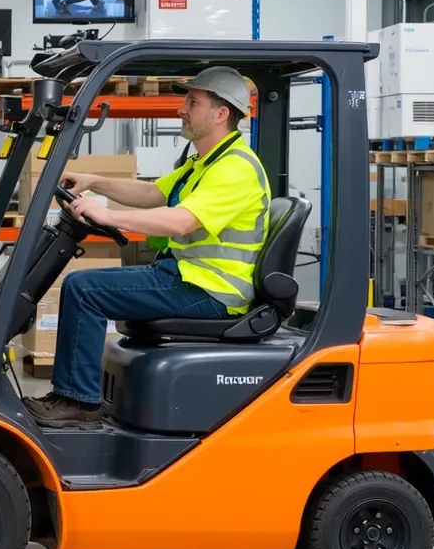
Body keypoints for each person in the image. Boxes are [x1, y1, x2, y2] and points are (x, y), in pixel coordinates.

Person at [24, 66, 270, 427]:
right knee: (84, 286)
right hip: (187, 277)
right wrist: (95, 181)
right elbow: (154, 192)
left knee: (84, 289)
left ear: (220, 114)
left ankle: (78, 403)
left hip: (212, 290)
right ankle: (74, 397)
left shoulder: (236, 168)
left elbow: (181, 221)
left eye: (193, 102)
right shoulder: (206, 161)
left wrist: (108, 215)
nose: (181, 109)